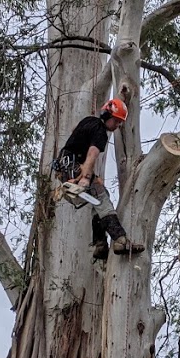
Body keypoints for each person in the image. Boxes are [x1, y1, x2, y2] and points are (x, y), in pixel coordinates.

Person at [55, 98, 144, 261]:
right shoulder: (100, 131)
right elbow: (92, 154)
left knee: (99, 198)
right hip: (73, 165)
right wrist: (86, 178)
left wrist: (92, 177)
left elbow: (75, 131)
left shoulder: (88, 121)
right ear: (106, 115)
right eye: (116, 121)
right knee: (101, 198)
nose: (117, 125)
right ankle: (120, 240)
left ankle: (100, 244)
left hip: (66, 164)